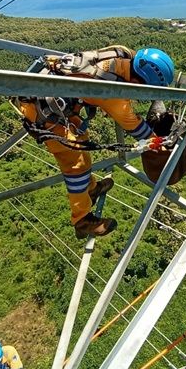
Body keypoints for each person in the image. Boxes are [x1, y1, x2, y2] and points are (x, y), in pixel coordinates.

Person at [18, 45, 175, 239]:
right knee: (76, 163)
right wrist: (160, 142)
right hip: (42, 113)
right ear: (136, 80)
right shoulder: (113, 94)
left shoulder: (122, 53)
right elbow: (136, 128)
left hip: (53, 99)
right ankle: (82, 220)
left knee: (82, 143)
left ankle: (91, 190)